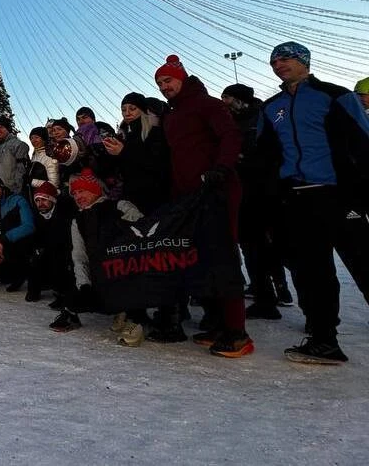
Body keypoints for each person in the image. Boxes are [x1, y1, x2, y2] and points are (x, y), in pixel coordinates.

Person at [258, 42, 369, 364]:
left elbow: (362, 144)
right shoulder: (271, 107)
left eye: (287, 58)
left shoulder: (335, 96)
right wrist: (272, 200)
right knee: (311, 273)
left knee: (364, 262)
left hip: (338, 193)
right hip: (297, 198)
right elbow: (266, 157)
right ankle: (324, 340)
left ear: (304, 61)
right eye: (274, 60)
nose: (279, 64)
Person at [155, 54, 252, 357]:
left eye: (168, 80)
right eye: (159, 83)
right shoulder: (172, 115)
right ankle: (219, 324)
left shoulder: (208, 104)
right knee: (202, 260)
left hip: (215, 190)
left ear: (181, 77)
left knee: (223, 258)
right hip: (188, 197)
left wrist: (221, 169)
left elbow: (230, 136)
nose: (164, 86)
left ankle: (237, 332)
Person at [52, 169, 146, 346]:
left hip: (126, 269)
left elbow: (142, 227)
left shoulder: (119, 206)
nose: (77, 196)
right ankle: (77, 312)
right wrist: (84, 285)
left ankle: (134, 319)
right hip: (100, 273)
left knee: (134, 284)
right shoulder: (78, 220)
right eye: (74, 193)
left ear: (95, 190)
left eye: (82, 191)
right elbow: (79, 256)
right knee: (75, 288)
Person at [220, 83, 290, 319]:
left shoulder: (264, 116)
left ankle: (284, 291)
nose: (225, 102)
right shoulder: (230, 121)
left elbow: (275, 150)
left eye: (228, 97)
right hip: (243, 191)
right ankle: (264, 298)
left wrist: (246, 159)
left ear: (241, 99)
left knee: (282, 246)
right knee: (251, 246)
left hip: (269, 189)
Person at [101, 93, 170, 214]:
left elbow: (158, 164)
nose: (127, 113)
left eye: (132, 108)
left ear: (142, 110)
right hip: (133, 200)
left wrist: (123, 152)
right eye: (123, 110)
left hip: (156, 199)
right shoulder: (125, 136)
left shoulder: (155, 133)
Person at [25, 181, 77, 306]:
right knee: (33, 256)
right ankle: (35, 289)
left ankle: (63, 294)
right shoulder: (38, 215)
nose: (40, 204)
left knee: (59, 259)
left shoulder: (65, 213)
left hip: (67, 250)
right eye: (37, 201)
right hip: (48, 248)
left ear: (53, 200)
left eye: (44, 200)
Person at [0, 176, 35, 291]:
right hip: (1, 245)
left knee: (13, 248)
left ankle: (22, 273)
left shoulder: (17, 200)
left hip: (21, 243)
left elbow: (29, 226)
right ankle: (5, 272)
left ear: (2, 188)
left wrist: (4, 239)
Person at [0, 116, 29, 195]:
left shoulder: (18, 145)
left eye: (2, 127)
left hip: (11, 193)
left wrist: (17, 193)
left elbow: (21, 171)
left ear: (8, 129)